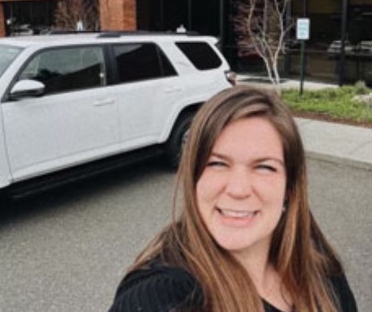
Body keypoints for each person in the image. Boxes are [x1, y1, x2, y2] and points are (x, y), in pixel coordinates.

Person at [108, 86, 357, 312]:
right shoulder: (163, 294)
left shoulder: (322, 273)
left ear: (290, 188)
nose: (238, 189)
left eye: (264, 167)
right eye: (217, 163)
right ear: (193, 179)